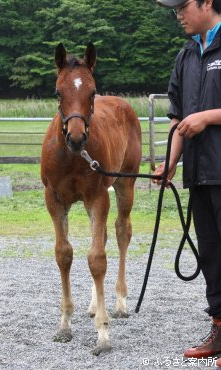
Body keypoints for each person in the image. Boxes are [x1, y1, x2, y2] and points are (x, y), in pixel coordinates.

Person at [155, 0, 221, 365]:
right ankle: (219, 330)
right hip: (199, 174)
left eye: (182, 6)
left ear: (207, 2)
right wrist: (170, 161)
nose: (177, 14)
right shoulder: (184, 56)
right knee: (211, 254)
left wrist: (208, 117)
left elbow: (196, 117)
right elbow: (179, 117)